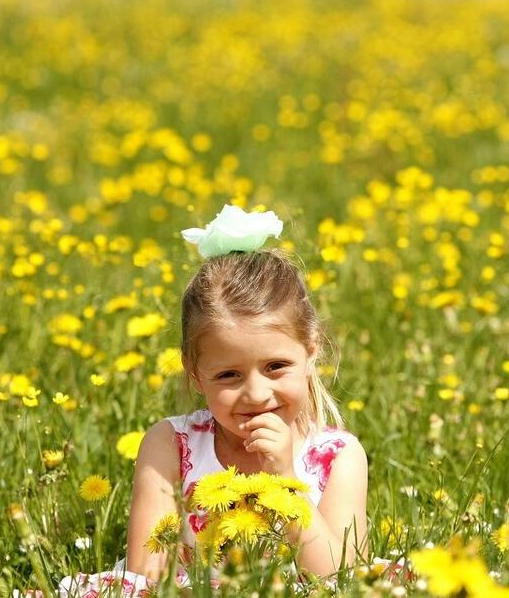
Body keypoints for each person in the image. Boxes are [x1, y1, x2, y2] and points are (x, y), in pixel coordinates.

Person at [57, 205, 369, 597]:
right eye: (228, 375)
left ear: (311, 352)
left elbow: (341, 579)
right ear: (194, 373)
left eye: (276, 366)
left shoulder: (339, 457)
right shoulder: (170, 445)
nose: (256, 395)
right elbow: (145, 572)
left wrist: (287, 482)